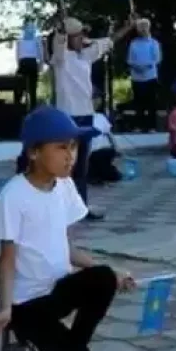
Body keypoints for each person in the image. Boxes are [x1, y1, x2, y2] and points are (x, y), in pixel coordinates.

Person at [0, 106, 136, 351]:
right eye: (61, 148)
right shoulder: (13, 196)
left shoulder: (65, 187)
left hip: (57, 291)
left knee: (102, 278)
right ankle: (31, 337)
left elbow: (67, 248)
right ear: (34, 152)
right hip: (28, 304)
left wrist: (113, 272)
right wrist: (4, 308)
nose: (71, 156)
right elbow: (6, 260)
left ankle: (69, 349)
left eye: (74, 147)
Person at [49, 16, 135, 219]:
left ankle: (81, 209)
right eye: (78, 35)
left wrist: (128, 26)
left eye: (82, 35)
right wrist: (62, 30)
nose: (82, 38)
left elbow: (109, 40)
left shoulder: (85, 55)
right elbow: (58, 43)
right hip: (67, 117)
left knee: (81, 166)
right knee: (64, 166)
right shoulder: (60, 58)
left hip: (85, 115)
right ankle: (59, 210)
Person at [126, 18, 162, 132]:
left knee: (151, 102)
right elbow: (130, 59)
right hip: (137, 77)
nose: (142, 30)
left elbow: (157, 58)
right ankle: (138, 125)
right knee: (138, 102)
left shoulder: (154, 43)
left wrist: (146, 66)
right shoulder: (133, 43)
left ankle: (152, 126)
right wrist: (136, 67)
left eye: (144, 27)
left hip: (150, 76)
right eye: (140, 28)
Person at [87, 109, 122, 184]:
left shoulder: (100, 117)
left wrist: (116, 147)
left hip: (101, 153)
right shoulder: (82, 118)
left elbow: (109, 134)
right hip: (90, 156)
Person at [16, 20, 43, 110]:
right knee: (32, 87)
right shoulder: (36, 38)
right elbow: (40, 52)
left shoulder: (20, 39)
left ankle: (18, 105)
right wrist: (40, 63)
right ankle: (32, 107)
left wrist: (18, 64)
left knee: (20, 86)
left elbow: (17, 53)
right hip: (32, 62)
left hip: (24, 62)